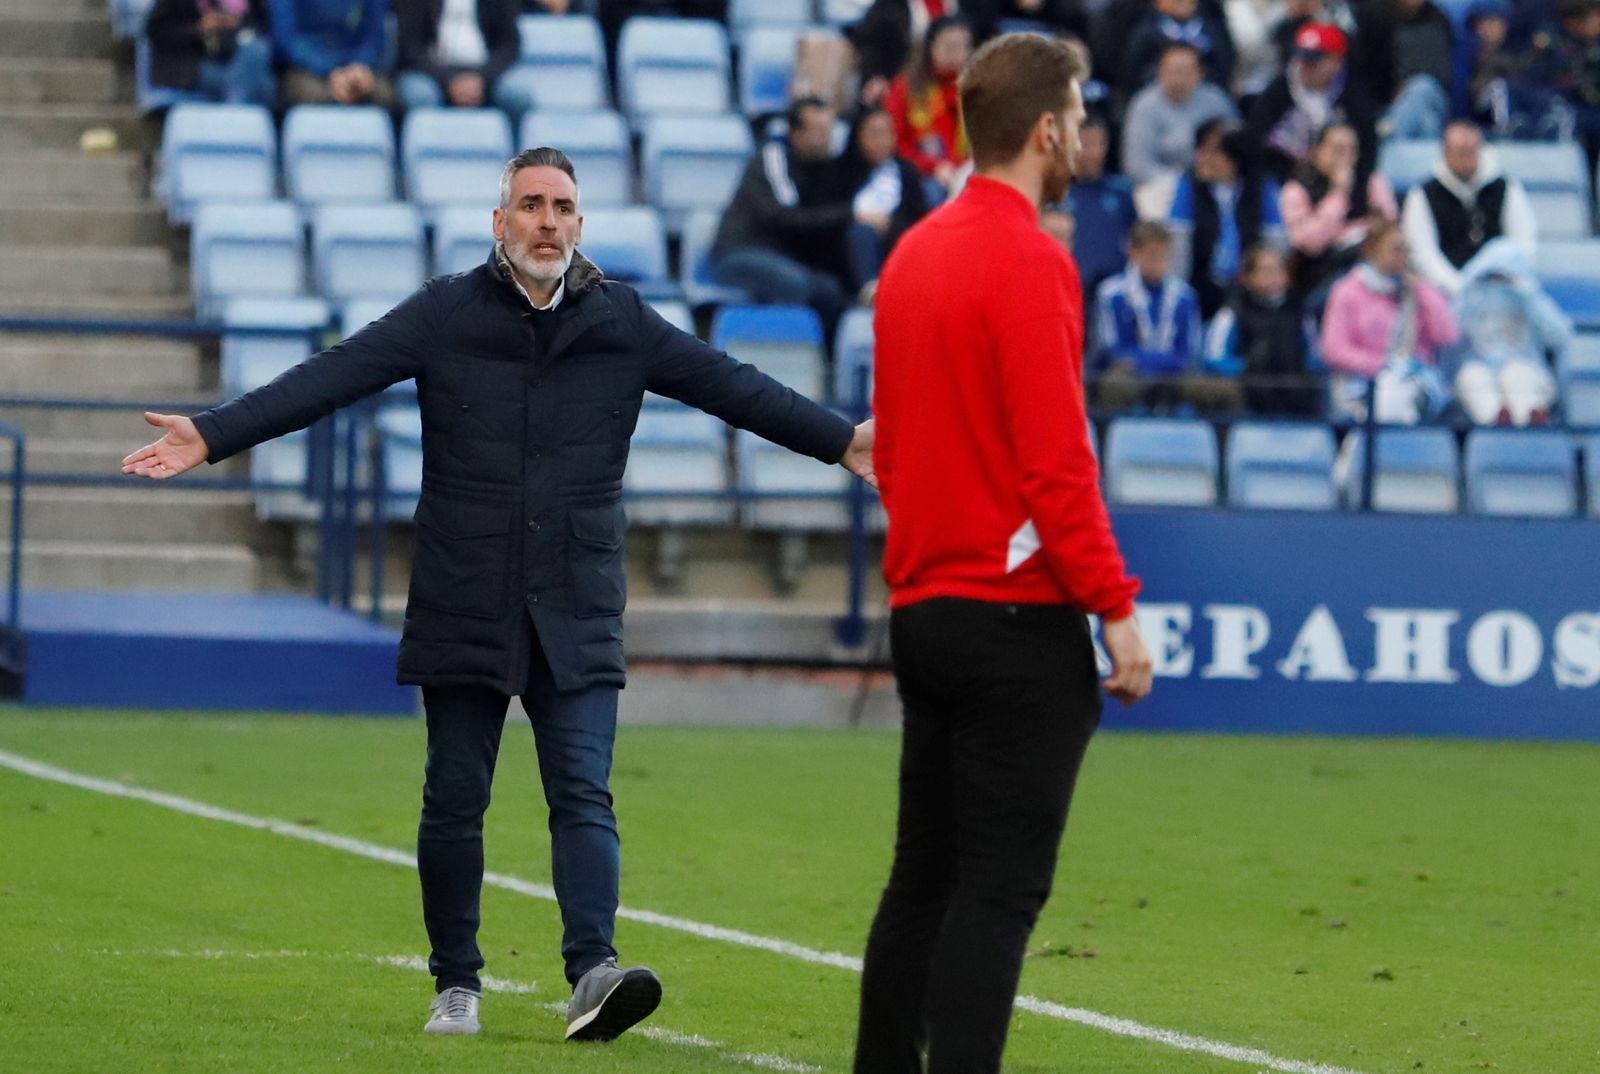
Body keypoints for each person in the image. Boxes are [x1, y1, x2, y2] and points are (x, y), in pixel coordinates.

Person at [121, 146, 876, 1044]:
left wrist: (841, 442)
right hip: (465, 590)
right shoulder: (446, 311)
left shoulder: (624, 321)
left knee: (584, 793)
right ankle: (457, 984)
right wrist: (213, 433)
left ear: (580, 226)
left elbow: (733, 388)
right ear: (500, 222)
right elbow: (335, 373)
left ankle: (593, 971)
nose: (547, 221)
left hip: (578, 594)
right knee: (454, 795)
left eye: (562, 206)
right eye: (530, 205)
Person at [858, 32, 1151, 1074]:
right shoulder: (1031, 258)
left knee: (921, 881)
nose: (1080, 135)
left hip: (924, 607)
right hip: (1013, 619)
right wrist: (1113, 607)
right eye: (1074, 116)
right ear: (1044, 130)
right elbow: (1056, 462)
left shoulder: (912, 253)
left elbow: (891, 444)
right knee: (997, 891)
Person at [712, 98, 881, 329]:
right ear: (796, 134)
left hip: (782, 256)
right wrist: (850, 214)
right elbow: (784, 216)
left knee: (832, 289)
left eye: (829, 130)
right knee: (798, 284)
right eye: (819, 130)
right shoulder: (773, 156)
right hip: (741, 252)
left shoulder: (820, 166)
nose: (827, 137)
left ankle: (830, 358)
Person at [1320, 217, 1459, 423]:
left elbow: (1447, 335)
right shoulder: (1346, 291)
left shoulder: (1415, 291)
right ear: (1371, 250)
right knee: (1390, 399)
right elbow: (1334, 350)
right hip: (1361, 384)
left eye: (1406, 250)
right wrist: (1385, 366)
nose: (1403, 257)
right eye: (1396, 249)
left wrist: (1420, 289)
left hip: (1415, 382)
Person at [1093, 220, 1231, 411]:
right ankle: (1107, 438)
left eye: (1165, 257)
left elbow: (1189, 352)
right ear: (1133, 253)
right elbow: (1114, 349)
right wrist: (1156, 361)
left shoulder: (1185, 296)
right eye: (1152, 256)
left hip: (1175, 374)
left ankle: (1222, 440)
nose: (1159, 263)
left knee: (1222, 391)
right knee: (1115, 385)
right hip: (1131, 373)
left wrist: (1160, 363)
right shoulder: (1112, 293)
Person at [1400, 120, 1538, 299]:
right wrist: (1458, 287)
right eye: (1460, 152)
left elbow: (1524, 242)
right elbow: (1423, 253)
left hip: (1500, 291)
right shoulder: (1422, 195)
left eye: (1471, 151)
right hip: (1444, 295)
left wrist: (1504, 281)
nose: (1466, 158)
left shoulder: (1506, 188)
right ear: (1445, 153)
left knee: (1508, 260)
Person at [1166, 118, 1284, 318]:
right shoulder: (1187, 187)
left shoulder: (1262, 188)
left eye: (1213, 152)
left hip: (1251, 289)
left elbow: (1276, 246)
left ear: (1236, 157)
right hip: (1200, 285)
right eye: (1200, 149)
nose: (1201, 158)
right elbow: (1178, 252)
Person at [1452, 240, 1571, 425]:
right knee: (1471, 376)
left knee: (1515, 373)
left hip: (1528, 369)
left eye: (1504, 276)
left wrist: (1529, 297)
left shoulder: (1530, 299)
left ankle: (1529, 420)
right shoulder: (1470, 299)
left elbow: (1560, 336)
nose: (1498, 283)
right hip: (1480, 368)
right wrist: (1464, 296)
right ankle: (1497, 419)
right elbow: (1447, 338)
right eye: (1492, 276)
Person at [1278, 121, 1398, 300]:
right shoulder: (1296, 190)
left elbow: (1388, 227)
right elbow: (1311, 244)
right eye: (1338, 149)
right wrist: (1338, 195)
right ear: (1316, 151)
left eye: (1352, 150)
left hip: (1367, 264)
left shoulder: (1371, 181)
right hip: (1320, 275)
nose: (1346, 157)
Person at [1247, 21, 1377, 183]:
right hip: (1284, 179)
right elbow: (1256, 141)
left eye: (1314, 62)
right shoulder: (1277, 92)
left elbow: (1367, 147)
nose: (1305, 67)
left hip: (1341, 180)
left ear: (1337, 62)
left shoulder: (1354, 95)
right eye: (1301, 59)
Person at [1204, 242, 1323, 413]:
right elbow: (1215, 358)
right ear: (1247, 277)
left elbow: (1314, 357)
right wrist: (1248, 369)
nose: (1274, 277)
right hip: (1249, 393)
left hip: (1295, 394)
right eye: (1266, 271)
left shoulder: (1300, 311)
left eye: (1278, 270)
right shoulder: (1232, 313)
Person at [1119, 41, 1238, 198]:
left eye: (1186, 71)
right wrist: (1182, 184)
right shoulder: (1144, 105)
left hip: (1214, 183)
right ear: (1160, 71)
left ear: (1200, 73)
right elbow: (1137, 165)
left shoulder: (1216, 101)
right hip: (1162, 188)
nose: (1179, 78)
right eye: (1173, 71)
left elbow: (1237, 148)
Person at [839, 105, 932, 287]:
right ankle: (868, 289)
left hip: (898, 244)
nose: (881, 141)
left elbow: (920, 219)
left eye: (886, 133)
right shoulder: (842, 173)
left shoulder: (907, 173)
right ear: (859, 137)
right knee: (861, 233)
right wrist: (856, 216)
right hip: (850, 250)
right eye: (874, 134)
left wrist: (889, 225)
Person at [883, 16, 974, 200]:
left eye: (961, 47)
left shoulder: (976, 88)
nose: (955, 55)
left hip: (970, 170)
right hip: (923, 174)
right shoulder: (905, 88)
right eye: (948, 47)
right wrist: (933, 167)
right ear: (931, 47)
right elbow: (897, 142)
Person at [392, 0, 525, 116]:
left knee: (517, 98)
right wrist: (449, 78)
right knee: (421, 97)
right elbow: (410, 46)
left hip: (485, 71)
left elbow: (509, 44)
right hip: (430, 72)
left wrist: (481, 77)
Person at [144, 0, 277, 106]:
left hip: (234, 58)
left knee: (256, 53)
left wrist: (234, 26)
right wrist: (199, 28)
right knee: (262, 88)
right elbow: (155, 31)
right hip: (189, 66)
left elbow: (261, 27)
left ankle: (234, 122)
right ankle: (236, 124)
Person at [267, 0, 398, 108]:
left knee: (383, 95)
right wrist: (332, 70)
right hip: (304, 69)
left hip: (356, 69)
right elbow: (285, 41)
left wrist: (357, 66)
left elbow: (374, 37)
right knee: (316, 96)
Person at [1355, 0, 1455, 140]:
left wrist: (1408, 86)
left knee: (1422, 87)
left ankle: (1389, 134)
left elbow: (1443, 69)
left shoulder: (1438, 18)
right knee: (1427, 122)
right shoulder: (1376, 17)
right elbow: (1369, 68)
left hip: (1434, 94)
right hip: (1391, 100)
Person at [1062, 116, 1138, 299]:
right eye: (1083, 143)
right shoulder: (1057, 192)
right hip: (1070, 288)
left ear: (1105, 146)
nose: (1088, 152)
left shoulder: (1122, 191)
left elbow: (1135, 239)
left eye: (1095, 144)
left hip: (1113, 294)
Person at [1123, 0, 1238, 97]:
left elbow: (1226, 64)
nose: (1181, 3)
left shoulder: (1212, 29)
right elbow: (1134, 71)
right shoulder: (1147, 32)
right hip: (1160, 95)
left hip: (1205, 94)